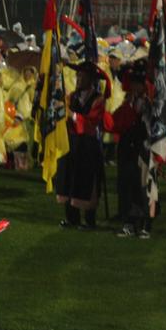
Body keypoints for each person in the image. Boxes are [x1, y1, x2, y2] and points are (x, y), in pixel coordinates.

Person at [55, 62, 107, 230]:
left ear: (91, 79)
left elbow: (92, 122)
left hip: (88, 145)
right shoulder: (71, 96)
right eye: (78, 76)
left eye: (83, 76)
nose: (79, 79)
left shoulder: (98, 99)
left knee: (87, 181)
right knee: (69, 178)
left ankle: (89, 220)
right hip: (71, 143)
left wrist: (73, 115)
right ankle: (72, 218)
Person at [110, 63, 155, 238]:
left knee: (144, 186)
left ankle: (145, 222)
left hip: (143, 148)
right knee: (127, 185)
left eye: (139, 83)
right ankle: (129, 220)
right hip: (127, 148)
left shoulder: (151, 103)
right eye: (134, 83)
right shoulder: (129, 101)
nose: (136, 86)